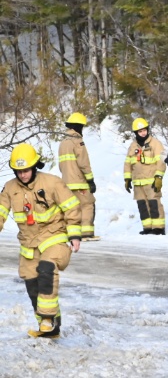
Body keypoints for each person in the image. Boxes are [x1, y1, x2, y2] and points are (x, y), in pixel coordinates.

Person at [0, 143, 81, 338]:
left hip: (55, 237)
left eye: (26, 170)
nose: (23, 175)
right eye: (18, 171)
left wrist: (75, 234)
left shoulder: (53, 183)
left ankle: (46, 319)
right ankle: (51, 326)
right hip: (29, 244)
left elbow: (71, 207)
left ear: (35, 166)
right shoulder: (10, 188)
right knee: (33, 286)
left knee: (46, 269)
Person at [58, 112, 99, 241]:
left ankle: (74, 232)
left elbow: (61, 165)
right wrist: (90, 180)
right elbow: (84, 163)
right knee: (88, 204)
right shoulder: (77, 141)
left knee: (73, 207)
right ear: (78, 126)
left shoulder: (63, 142)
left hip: (67, 181)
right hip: (79, 182)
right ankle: (86, 232)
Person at [123, 117, 166, 235]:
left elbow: (161, 162)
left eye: (144, 130)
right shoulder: (133, 146)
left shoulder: (156, 144)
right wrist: (127, 178)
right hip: (138, 183)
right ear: (136, 133)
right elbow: (127, 163)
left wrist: (159, 177)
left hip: (151, 181)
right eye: (140, 131)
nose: (143, 133)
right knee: (142, 205)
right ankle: (147, 227)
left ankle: (158, 228)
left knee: (154, 204)